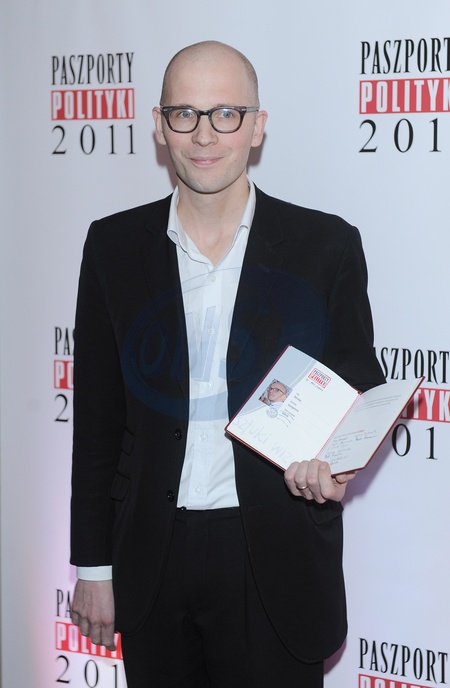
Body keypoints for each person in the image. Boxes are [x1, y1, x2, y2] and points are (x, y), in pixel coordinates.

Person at [70, 40, 385, 687]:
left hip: (276, 555)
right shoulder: (113, 245)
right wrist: (93, 567)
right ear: (160, 126)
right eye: (184, 113)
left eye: (226, 113)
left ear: (257, 126)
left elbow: (360, 389)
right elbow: (96, 421)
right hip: (152, 557)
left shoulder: (325, 246)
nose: (204, 134)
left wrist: (336, 465)